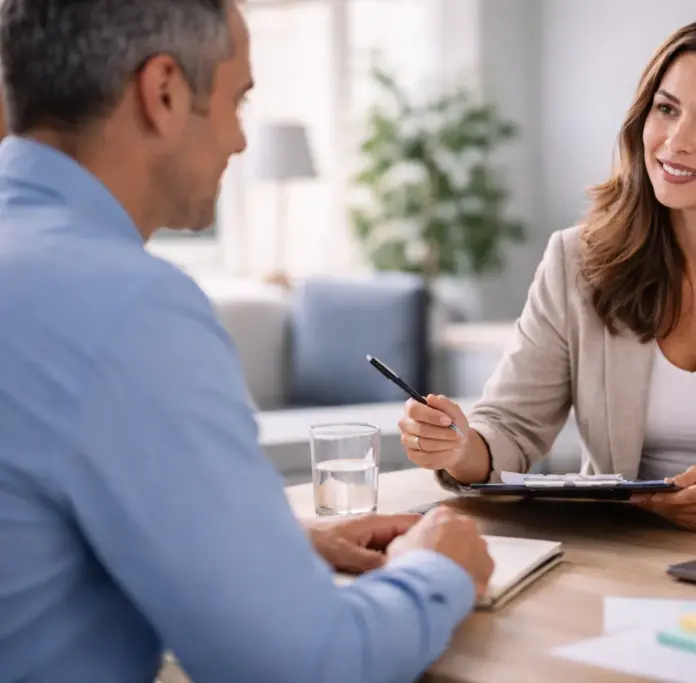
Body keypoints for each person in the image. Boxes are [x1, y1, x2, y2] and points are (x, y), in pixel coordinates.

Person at [0, 2, 493, 682]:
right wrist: (439, 565)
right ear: (165, 92)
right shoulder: (127, 305)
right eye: (238, 100)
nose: (239, 140)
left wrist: (269, 545)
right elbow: (304, 664)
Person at [399, 15, 696, 532]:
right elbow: (511, 427)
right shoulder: (576, 261)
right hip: (613, 553)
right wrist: (459, 445)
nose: (675, 141)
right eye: (666, 109)